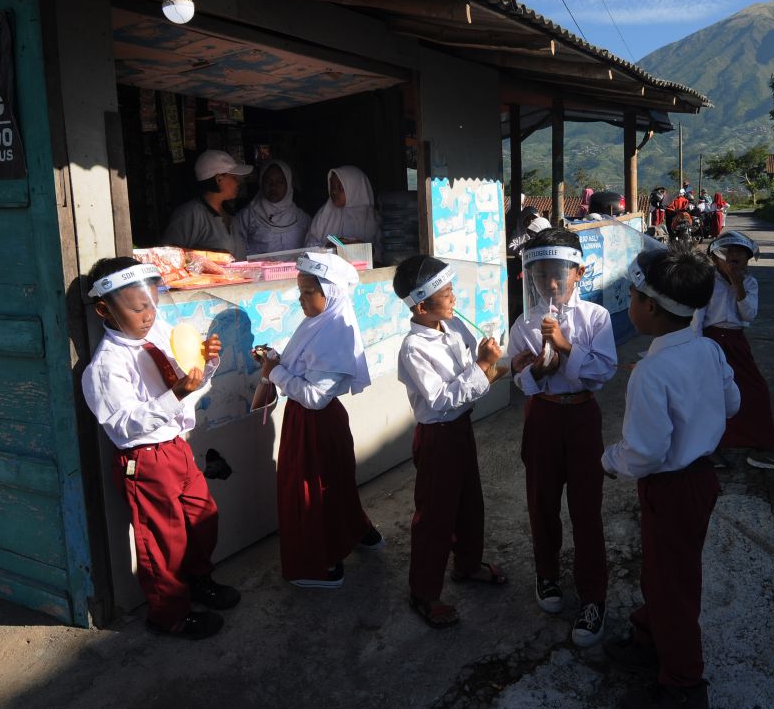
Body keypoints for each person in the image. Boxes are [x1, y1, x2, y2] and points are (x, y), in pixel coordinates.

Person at [602, 248, 740, 709]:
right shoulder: (708, 348)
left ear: (652, 309)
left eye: (634, 297)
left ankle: (683, 687)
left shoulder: (651, 373)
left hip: (671, 488)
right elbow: (733, 403)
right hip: (700, 481)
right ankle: (649, 637)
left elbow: (644, 453)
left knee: (673, 584)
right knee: (664, 572)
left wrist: (608, 460)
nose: (630, 304)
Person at [81, 256, 240, 640]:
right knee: (162, 538)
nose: (149, 315)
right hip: (146, 459)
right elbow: (124, 425)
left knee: (203, 517)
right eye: (137, 308)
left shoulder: (156, 333)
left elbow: (188, 380)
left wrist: (207, 361)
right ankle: (169, 613)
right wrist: (176, 394)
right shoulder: (107, 366)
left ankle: (198, 580)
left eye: (152, 303)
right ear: (105, 309)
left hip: (177, 448)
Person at [507, 229, 617, 647]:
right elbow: (521, 380)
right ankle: (547, 574)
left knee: (587, 508)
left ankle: (594, 596)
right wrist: (535, 372)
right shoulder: (523, 323)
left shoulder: (595, 318)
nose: (550, 284)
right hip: (544, 418)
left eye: (558, 274)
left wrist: (566, 348)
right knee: (542, 501)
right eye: (540, 274)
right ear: (529, 276)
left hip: (582, 414)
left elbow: (604, 372)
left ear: (578, 272)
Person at [255, 252, 385, 588]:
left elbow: (315, 397)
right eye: (300, 291)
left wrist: (276, 372)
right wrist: (278, 364)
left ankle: (321, 562)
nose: (301, 299)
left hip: (315, 423)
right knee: (334, 482)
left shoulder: (334, 335)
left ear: (333, 293)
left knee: (311, 490)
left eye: (308, 291)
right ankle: (356, 533)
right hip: (314, 422)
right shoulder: (318, 322)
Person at [393, 255, 509, 628]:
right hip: (437, 438)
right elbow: (442, 398)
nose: (454, 298)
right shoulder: (414, 348)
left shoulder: (452, 325)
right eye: (446, 294)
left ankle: (468, 565)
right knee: (434, 516)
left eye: (452, 289)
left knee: (469, 502)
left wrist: (502, 366)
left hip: (460, 430)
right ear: (422, 305)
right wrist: (482, 366)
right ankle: (423, 592)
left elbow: (478, 374)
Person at [700, 233, 774, 472]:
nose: (734, 257)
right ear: (716, 258)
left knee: (755, 391)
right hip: (710, 341)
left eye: (740, 254)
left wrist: (737, 284)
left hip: (736, 342)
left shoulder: (750, 283)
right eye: (729, 252)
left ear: (748, 260)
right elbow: (698, 316)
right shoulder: (707, 281)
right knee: (709, 395)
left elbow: (748, 315)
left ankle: (761, 448)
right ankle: (710, 449)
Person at [163, 150, 253, 260]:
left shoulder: (230, 214)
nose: (238, 182)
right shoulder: (190, 214)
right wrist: (208, 255)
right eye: (234, 177)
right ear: (219, 179)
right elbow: (167, 252)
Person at [234, 160, 310, 256]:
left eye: (280, 181)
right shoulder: (247, 217)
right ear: (261, 183)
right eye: (268, 181)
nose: (273, 186)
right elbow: (237, 251)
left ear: (288, 184)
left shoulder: (301, 219)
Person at [305, 165, 381, 260]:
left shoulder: (373, 218)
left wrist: (366, 249)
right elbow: (308, 247)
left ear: (355, 188)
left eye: (340, 188)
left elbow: (384, 252)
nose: (334, 192)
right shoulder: (324, 214)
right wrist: (328, 247)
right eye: (332, 187)